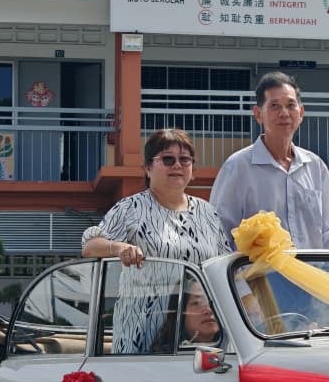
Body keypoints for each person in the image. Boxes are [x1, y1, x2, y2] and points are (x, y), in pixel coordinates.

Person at [82, 129, 230, 354]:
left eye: (184, 159)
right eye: (167, 159)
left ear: (193, 170)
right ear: (148, 168)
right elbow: (90, 247)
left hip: (195, 335)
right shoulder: (130, 208)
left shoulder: (208, 212)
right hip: (142, 329)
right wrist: (119, 247)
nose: (177, 166)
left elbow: (223, 266)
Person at [210, 71, 329, 250]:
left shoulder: (315, 167)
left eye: (290, 105)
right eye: (274, 106)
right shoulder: (237, 167)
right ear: (258, 114)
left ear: (301, 112)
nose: (284, 113)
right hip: (258, 277)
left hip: (309, 277)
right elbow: (219, 234)